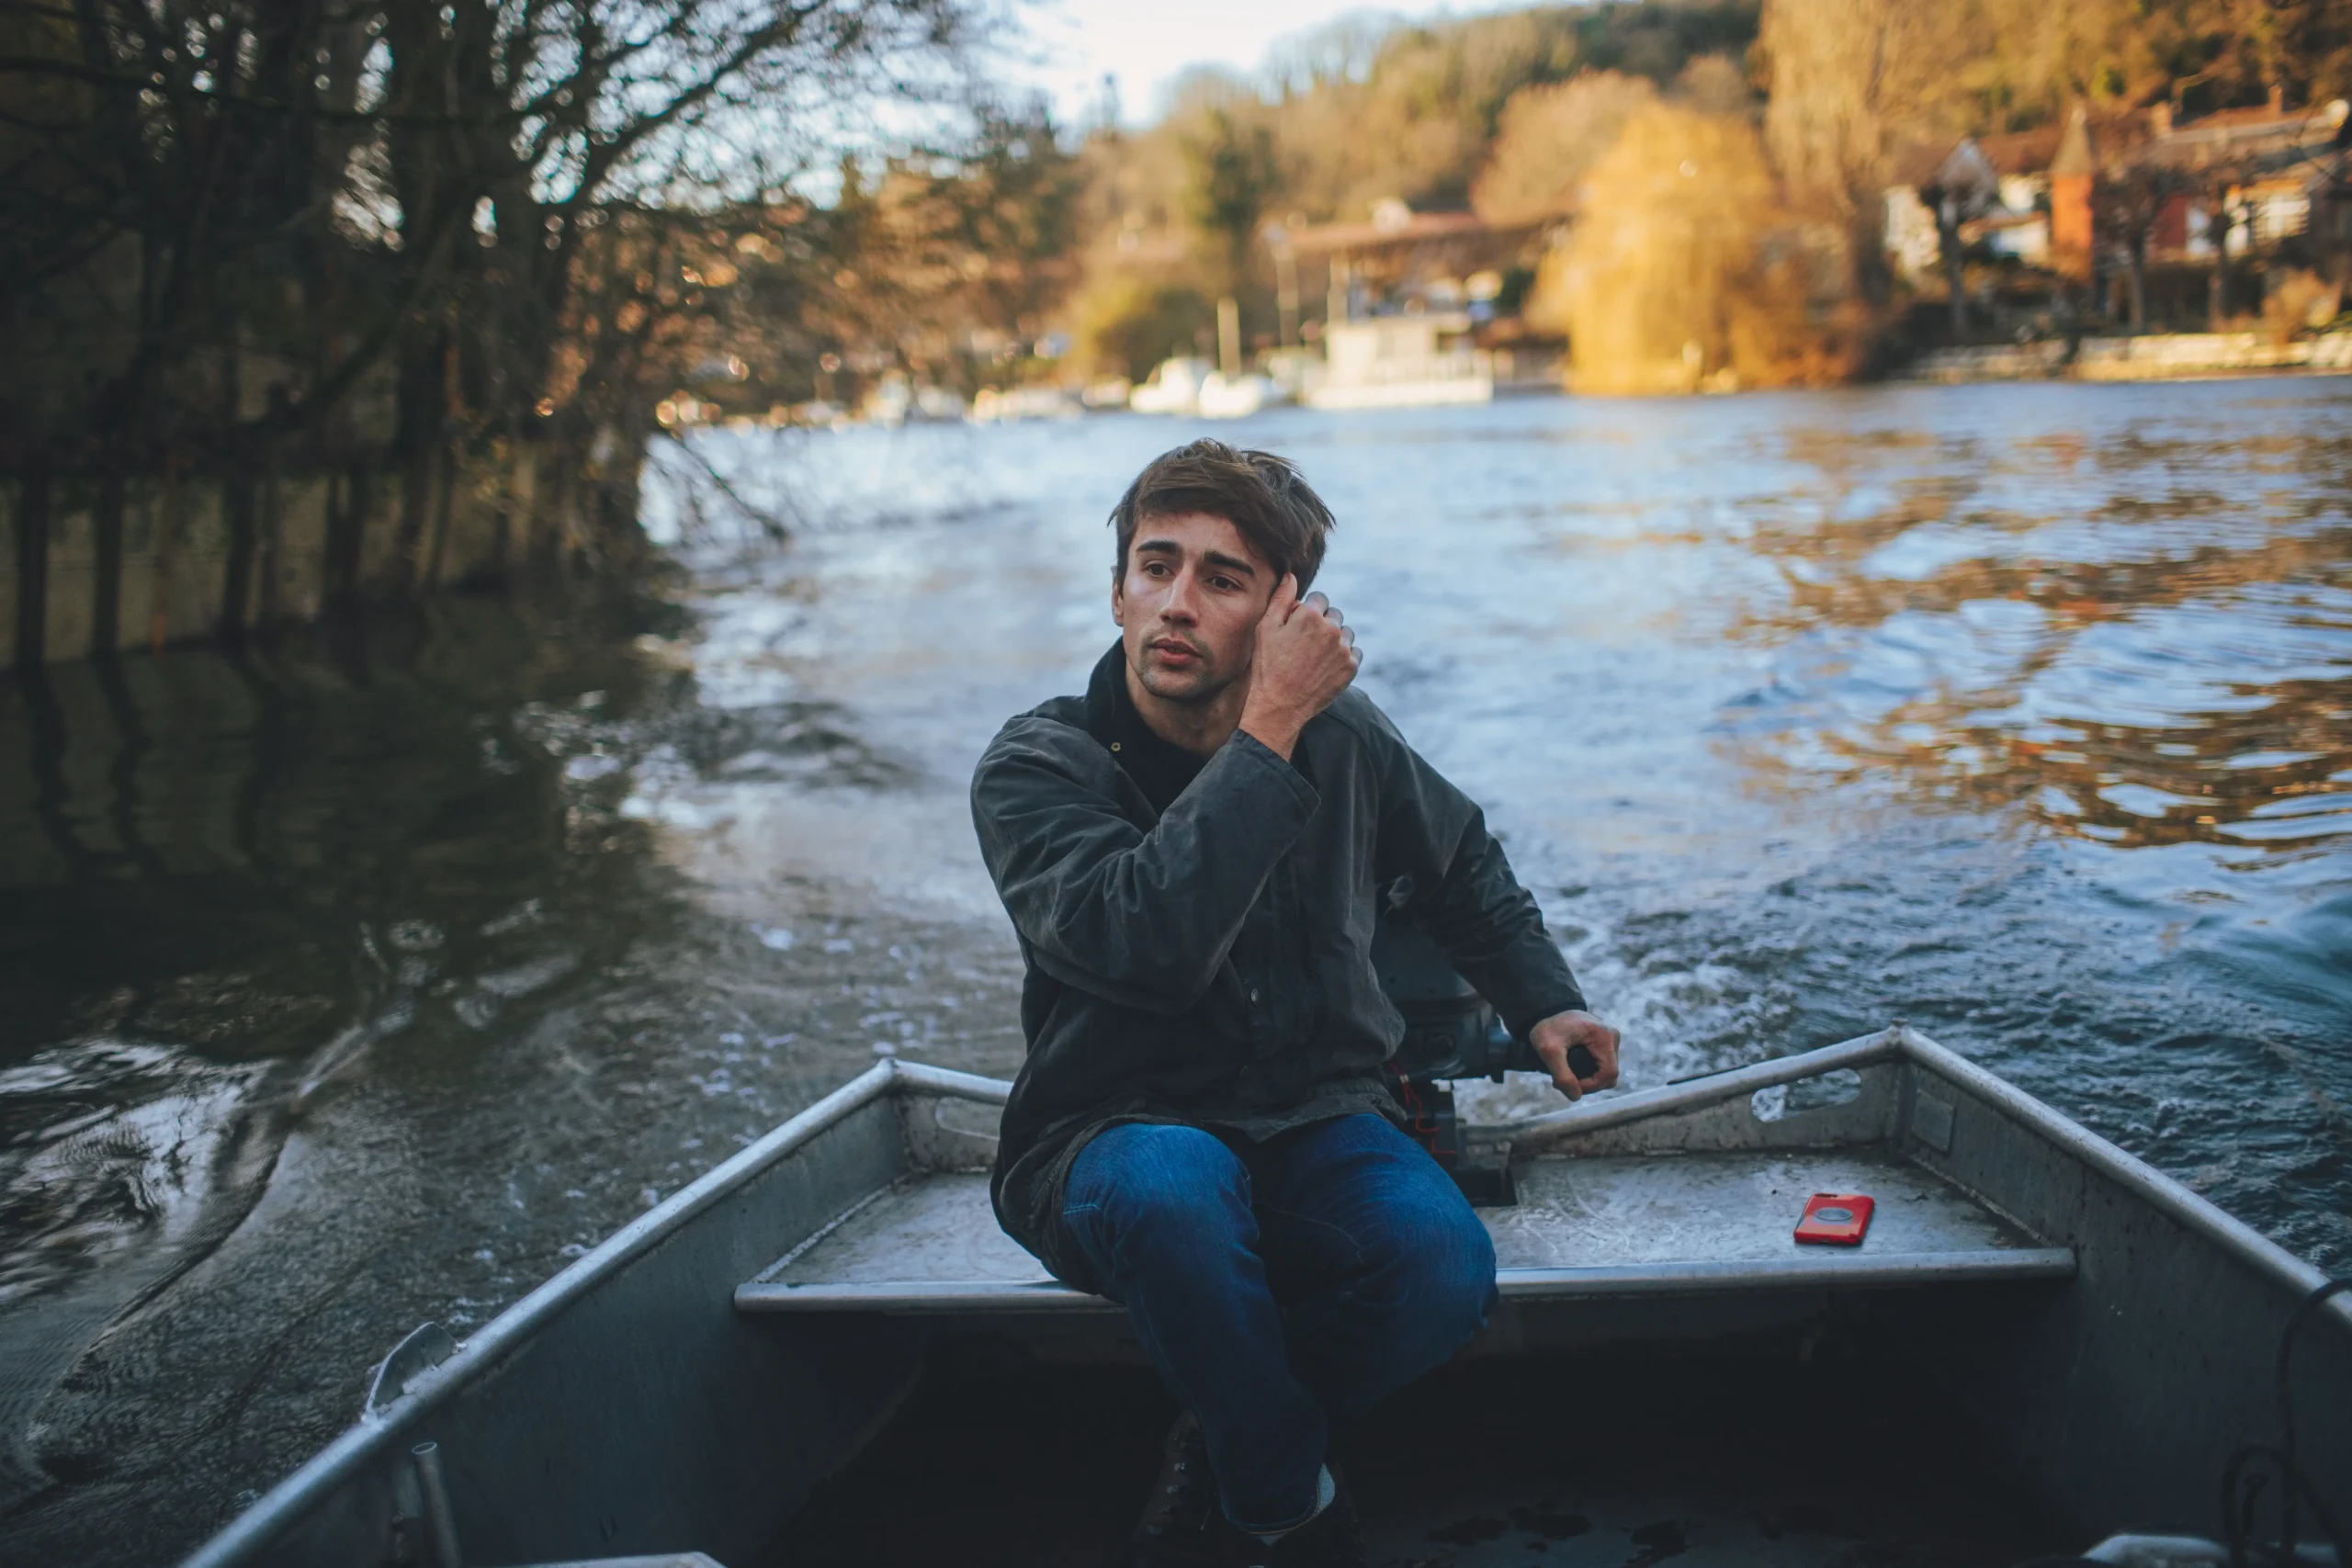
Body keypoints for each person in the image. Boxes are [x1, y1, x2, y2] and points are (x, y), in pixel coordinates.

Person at [969, 439, 1621, 1567]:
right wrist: (1269, 728)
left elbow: (1460, 860)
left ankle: (1229, 1431)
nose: (1175, 604)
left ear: (1283, 610)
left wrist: (1543, 1002)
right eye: (1154, 565)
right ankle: (1285, 1514)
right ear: (1115, 587)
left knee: (1439, 1267)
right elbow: (1149, 944)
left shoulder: (1349, 737)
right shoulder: (1037, 767)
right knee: (1175, 1192)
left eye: (1220, 580)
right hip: (1108, 1134)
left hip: (1315, 1118)